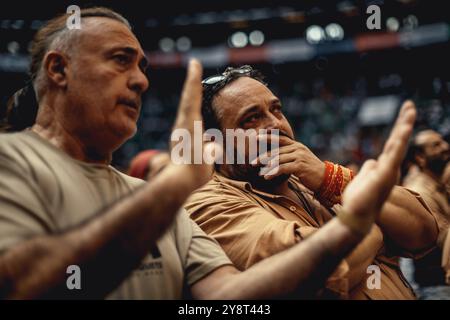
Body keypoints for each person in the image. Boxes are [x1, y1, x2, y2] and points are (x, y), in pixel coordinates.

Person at [0, 7, 416, 300]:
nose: (141, 82)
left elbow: (230, 298)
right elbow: (20, 282)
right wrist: (369, 232)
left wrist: (350, 226)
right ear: (58, 70)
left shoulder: (156, 202)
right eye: (121, 61)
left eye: (143, 68)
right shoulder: (12, 161)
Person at [184, 66, 438, 299]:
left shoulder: (315, 175)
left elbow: (424, 232)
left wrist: (329, 178)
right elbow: (325, 272)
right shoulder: (208, 205)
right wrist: (367, 223)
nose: (275, 124)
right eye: (251, 118)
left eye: (276, 109)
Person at [401, 129, 450, 298]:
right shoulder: (419, 191)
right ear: (420, 158)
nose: (445, 147)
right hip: (437, 286)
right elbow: (443, 239)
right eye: (436, 145)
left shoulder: (440, 181)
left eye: (443, 142)